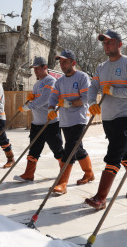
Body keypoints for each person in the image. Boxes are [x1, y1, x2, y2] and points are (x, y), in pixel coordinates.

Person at [84, 30, 127, 210]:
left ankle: (100, 197)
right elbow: (93, 86)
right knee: (124, 151)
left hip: (125, 114)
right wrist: (91, 102)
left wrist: (115, 92)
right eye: (104, 43)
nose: (106, 46)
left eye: (109, 42)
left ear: (119, 44)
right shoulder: (101, 67)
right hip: (108, 115)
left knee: (113, 154)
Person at [47, 49, 95, 195]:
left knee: (70, 148)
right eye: (60, 62)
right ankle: (89, 173)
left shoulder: (82, 77)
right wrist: (50, 108)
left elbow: (86, 97)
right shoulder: (60, 81)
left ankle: (62, 182)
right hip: (65, 120)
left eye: (65, 62)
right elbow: (53, 97)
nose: (61, 65)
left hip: (79, 119)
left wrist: (69, 103)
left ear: (73, 62)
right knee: (77, 148)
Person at [14, 57, 64, 182]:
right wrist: (31, 98)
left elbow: (45, 99)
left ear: (44, 67)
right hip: (37, 123)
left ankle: (64, 172)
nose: (35, 71)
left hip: (50, 122)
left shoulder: (50, 81)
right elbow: (38, 98)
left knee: (57, 149)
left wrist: (30, 106)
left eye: (37, 68)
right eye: (34, 69)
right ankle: (29, 174)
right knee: (34, 149)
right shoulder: (37, 84)